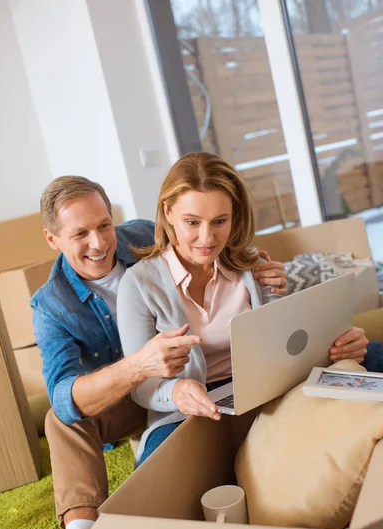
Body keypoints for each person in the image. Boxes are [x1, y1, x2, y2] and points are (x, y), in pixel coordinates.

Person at [0, 173, 289, 529]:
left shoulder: (147, 236)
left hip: (181, 382)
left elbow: (212, 247)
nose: (99, 243)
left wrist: (260, 270)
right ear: (52, 240)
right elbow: (64, 396)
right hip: (122, 391)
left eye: (104, 225)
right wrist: (136, 367)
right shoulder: (52, 306)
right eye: (80, 234)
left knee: (166, 479)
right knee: (61, 419)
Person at [116, 152, 369, 466]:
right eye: (192, 222)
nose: (207, 238)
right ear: (168, 212)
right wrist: (176, 391)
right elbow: (141, 386)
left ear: (234, 216)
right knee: (152, 479)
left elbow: (290, 344)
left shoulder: (254, 266)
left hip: (268, 389)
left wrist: (341, 342)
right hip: (191, 407)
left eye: (220, 221)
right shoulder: (138, 284)